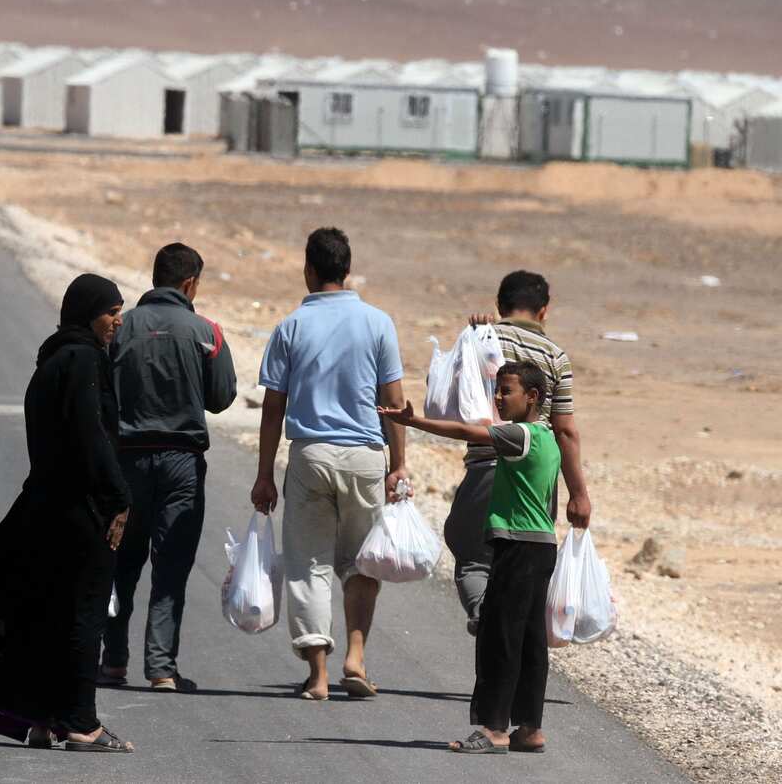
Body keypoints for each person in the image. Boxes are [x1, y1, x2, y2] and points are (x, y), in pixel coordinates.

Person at [0, 274, 136, 753]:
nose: (118, 320)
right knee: (84, 615)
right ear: (87, 314)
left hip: (45, 505)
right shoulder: (82, 361)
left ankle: (41, 717)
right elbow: (90, 436)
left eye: (120, 310)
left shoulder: (53, 360)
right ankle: (81, 724)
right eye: (110, 311)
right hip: (81, 510)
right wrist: (118, 498)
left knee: (45, 613)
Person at [251, 227, 409, 701]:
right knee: (363, 561)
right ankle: (355, 657)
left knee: (308, 562)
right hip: (365, 456)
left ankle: (317, 675)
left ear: (310, 269)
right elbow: (394, 402)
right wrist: (398, 464)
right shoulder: (378, 323)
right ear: (347, 267)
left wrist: (263, 473)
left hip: (311, 456)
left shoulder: (291, 326)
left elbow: (273, 406)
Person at [378, 361, 561, 754]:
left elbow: (466, 431)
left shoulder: (521, 435)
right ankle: (529, 729)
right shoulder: (548, 437)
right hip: (543, 546)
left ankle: (494, 729)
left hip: (518, 547)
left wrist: (415, 423)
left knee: (499, 637)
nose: (499, 397)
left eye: (506, 390)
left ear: (532, 397)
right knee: (530, 642)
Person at [99, 243, 237, 693]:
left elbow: (101, 393)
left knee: (121, 563)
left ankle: (113, 661)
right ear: (190, 283)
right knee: (171, 564)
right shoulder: (206, 332)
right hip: (181, 463)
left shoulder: (121, 327)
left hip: (127, 462)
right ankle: (161, 668)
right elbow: (221, 398)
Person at [446, 270, 591, 635]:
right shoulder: (556, 356)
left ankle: (483, 613)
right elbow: (566, 430)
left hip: (486, 464)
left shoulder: (482, 337)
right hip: (535, 478)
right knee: (523, 563)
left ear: (500, 304)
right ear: (544, 311)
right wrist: (579, 494)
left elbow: (444, 391)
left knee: (474, 560)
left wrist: (476, 335)